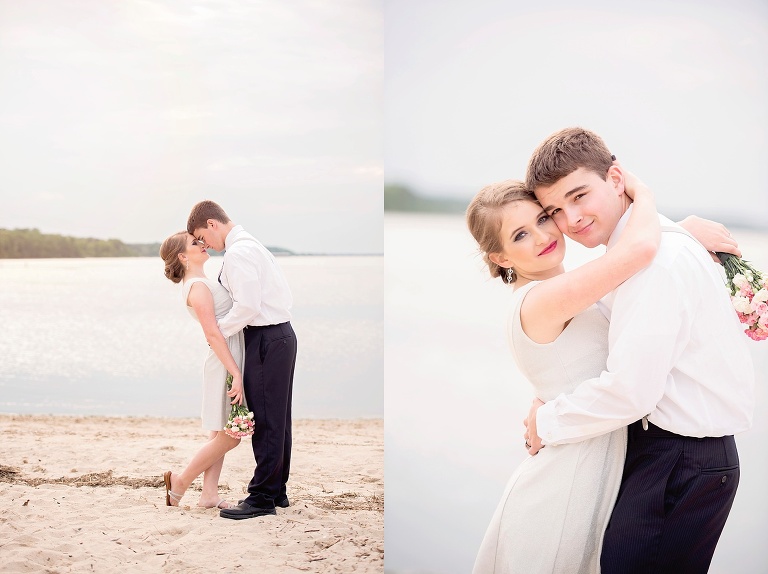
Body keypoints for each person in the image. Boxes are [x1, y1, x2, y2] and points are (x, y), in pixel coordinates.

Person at [466, 173, 740, 573]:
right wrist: (643, 193)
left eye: (543, 218)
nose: (542, 236)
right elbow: (636, 252)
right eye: (520, 235)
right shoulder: (543, 300)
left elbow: (627, 278)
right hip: (564, 487)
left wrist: (680, 232)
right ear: (502, 258)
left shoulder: (569, 291)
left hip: (595, 473)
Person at [524, 127, 755, 573]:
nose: (571, 219)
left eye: (579, 196)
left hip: (680, 461)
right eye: (555, 211)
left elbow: (631, 391)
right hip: (674, 456)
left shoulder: (657, 265)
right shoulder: (646, 253)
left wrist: (546, 423)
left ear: (615, 179)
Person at [187, 200, 297, 520]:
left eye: (202, 237)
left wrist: (218, 332)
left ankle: (261, 497)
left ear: (212, 224)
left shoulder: (238, 253)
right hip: (280, 335)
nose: (205, 244)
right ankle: (276, 491)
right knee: (278, 419)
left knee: (267, 420)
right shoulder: (252, 245)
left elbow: (247, 306)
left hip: (266, 338)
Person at [158, 232, 245, 509]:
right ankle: (181, 481)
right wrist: (236, 373)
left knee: (219, 432)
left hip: (226, 356)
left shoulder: (200, 282)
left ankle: (209, 495)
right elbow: (213, 334)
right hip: (224, 360)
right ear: (183, 256)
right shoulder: (197, 287)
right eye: (195, 243)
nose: (202, 244)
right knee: (231, 436)